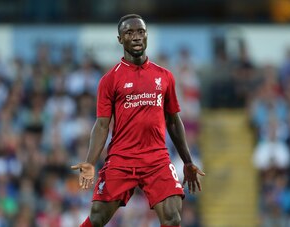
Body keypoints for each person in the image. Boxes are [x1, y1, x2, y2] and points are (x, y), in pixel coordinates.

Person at [71, 14, 205, 227]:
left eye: (140, 32)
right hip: (122, 158)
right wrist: (89, 161)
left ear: (146, 36)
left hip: (156, 158)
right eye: (129, 32)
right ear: (120, 39)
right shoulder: (110, 79)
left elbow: (173, 120)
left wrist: (187, 161)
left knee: (172, 217)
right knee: (97, 217)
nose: (136, 37)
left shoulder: (165, 76)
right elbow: (102, 124)